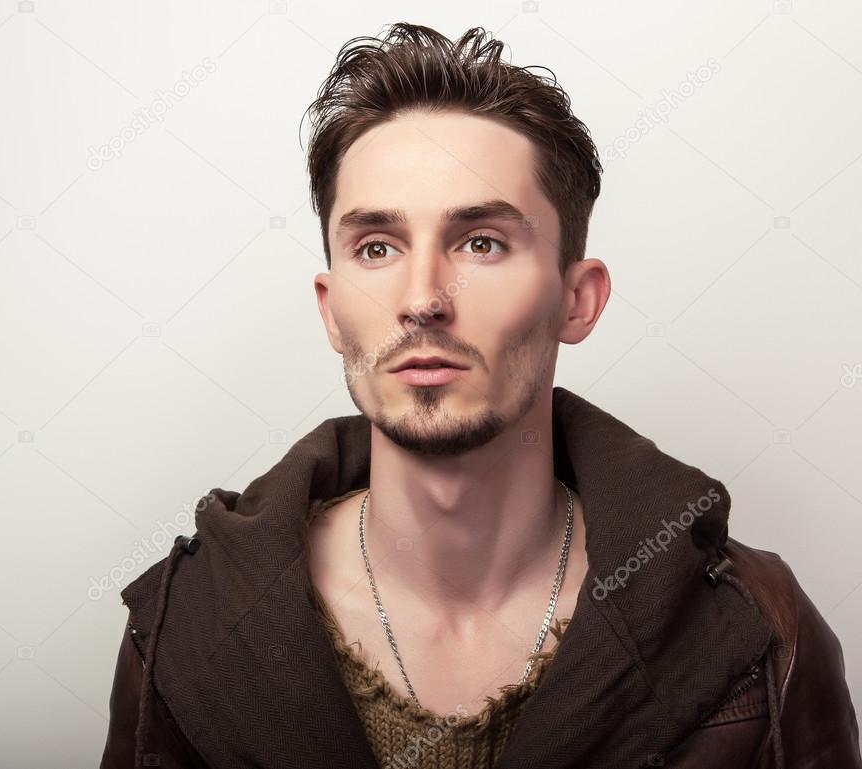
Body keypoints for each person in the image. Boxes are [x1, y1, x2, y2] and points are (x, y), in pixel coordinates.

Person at [100, 22, 861, 769]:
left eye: (482, 242)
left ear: (578, 300)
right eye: (377, 247)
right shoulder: (185, 628)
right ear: (331, 309)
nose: (424, 298)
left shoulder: (761, 632)